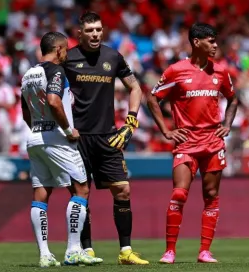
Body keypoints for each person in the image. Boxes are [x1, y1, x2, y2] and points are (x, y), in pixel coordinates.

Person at [147, 23, 239, 264]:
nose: (216, 44)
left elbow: (233, 100)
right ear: (196, 42)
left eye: (216, 40)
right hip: (186, 142)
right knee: (179, 193)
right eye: (211, 40)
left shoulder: (220, 72)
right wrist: (166, 130)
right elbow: (153, 99)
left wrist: (227, 124)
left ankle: (205, 251)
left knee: (211, 195)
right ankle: (170, 251)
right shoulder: (176, 71)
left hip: (213, 143)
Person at [62, 12, 149, 265]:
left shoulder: (113, 56)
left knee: (122, 189)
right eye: (89, 30)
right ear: (80, 33)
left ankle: (126, 252)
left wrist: (131, 122)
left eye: (98, 29)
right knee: (81, 194)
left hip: (108, 137)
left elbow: (135, 87)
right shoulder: (68, 58)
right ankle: (85, 250)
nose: (95, 34)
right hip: (77, 139)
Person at [21, 32, 103, 268]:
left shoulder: (28, 74)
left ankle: (45, 255)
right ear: (57, 50)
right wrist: (67, 130)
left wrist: (39, 129)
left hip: (35, 137)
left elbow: (25, 109)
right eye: (65, 49)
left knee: (41, 192)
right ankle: (73, 250)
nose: (67, 53)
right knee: (82, 189)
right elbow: (55, 102)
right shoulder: (56, 71)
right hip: (57, 138)